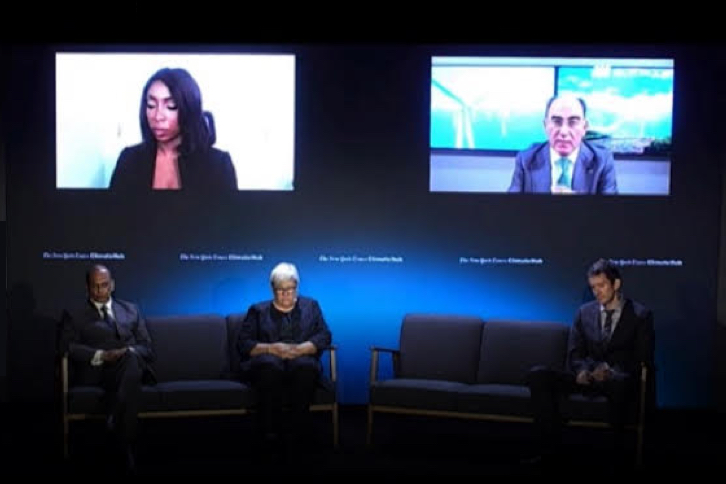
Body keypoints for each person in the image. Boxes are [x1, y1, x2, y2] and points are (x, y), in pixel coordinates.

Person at [525, 258, 655, 468]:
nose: (597, 292)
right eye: (593, 287)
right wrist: (583, 371)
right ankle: (549, 451)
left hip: (617, 381)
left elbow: (643, 358)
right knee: (538, 375)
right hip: (587, 378)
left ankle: (616, 459)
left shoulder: (640, 315)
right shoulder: (584, 312)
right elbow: (575, 353)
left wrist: (609, 371)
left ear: (616, 284)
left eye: (602, 285)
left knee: (620, 383)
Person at [59, 265, 156, 472]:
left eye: (104, 285)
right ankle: (125, 442)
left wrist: (126, 351)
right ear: (87, 288)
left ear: (112, 285)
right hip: (98, 372)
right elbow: (67, 347)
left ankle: (116, 419)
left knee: (130, 358)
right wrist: (102, 355)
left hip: (128, 367)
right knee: (130, 369)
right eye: (95, 287)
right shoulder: (75, 315)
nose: (100, 291)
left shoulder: (131, 309)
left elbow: (147, 348)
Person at [237, 262, 332, 449]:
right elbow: (244, 343)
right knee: (269, 367)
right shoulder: (258, 310)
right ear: (272, 288)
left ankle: (298, 431)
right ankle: (269, 431)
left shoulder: (311, 306)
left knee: (304, 367)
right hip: (269, 360)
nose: (286, 294)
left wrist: (304, 348)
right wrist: (271, 348)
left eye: (290, 288)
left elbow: (324, 335)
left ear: (296, 286)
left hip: (301, 359)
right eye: (280, 289)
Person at [109, 67, 237, 193]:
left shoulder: (218, 165)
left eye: (171, 106)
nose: (158, 116)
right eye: (151, 105)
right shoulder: (129, 159)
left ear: (189, 109)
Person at [508, 95, 618, 194]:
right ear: (545, 125)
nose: (564, 132)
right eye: (557, 122)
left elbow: (610, 212)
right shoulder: (526, 160)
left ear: (585, 127)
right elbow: (511, 208)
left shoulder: (602, 161)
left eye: (573, 122)